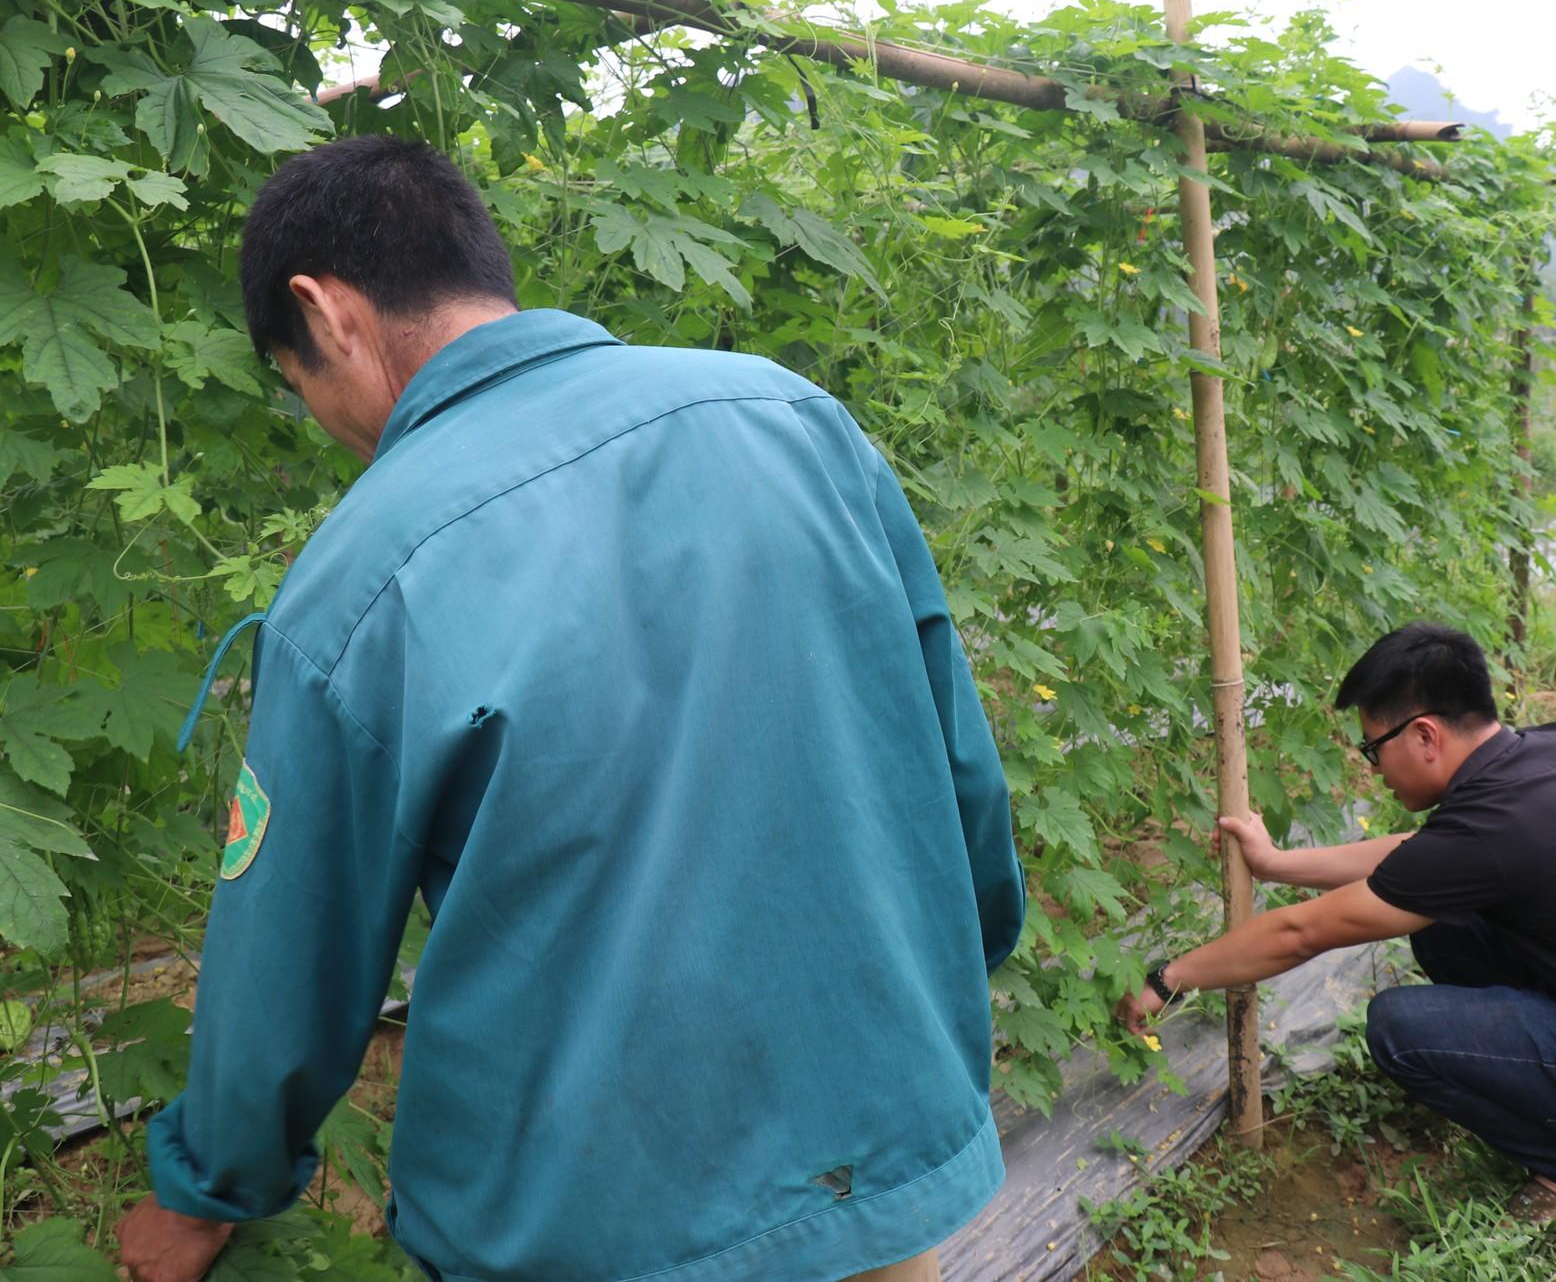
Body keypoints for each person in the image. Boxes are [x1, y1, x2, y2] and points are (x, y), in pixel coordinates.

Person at [115, 136, 1025, 1282]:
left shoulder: (365, 574)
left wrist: (208, 1190)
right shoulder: (794, 422)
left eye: (300, 385)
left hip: (598, 1215)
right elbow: (953, 759)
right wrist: (952, 959)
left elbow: (290, 948)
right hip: (868, 1157)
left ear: (326, 311)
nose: (329, 423)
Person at [1119, 622, 1556, 1221]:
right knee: (1439, 923)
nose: (1373, 769)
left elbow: (1300, 934)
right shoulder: (1551, 751)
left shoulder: (1496, 828)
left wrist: (1171, 976)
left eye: (1373, 749)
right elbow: (1420, 859)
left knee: (1401, 1028)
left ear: (1424, 736)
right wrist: (1277, 864)